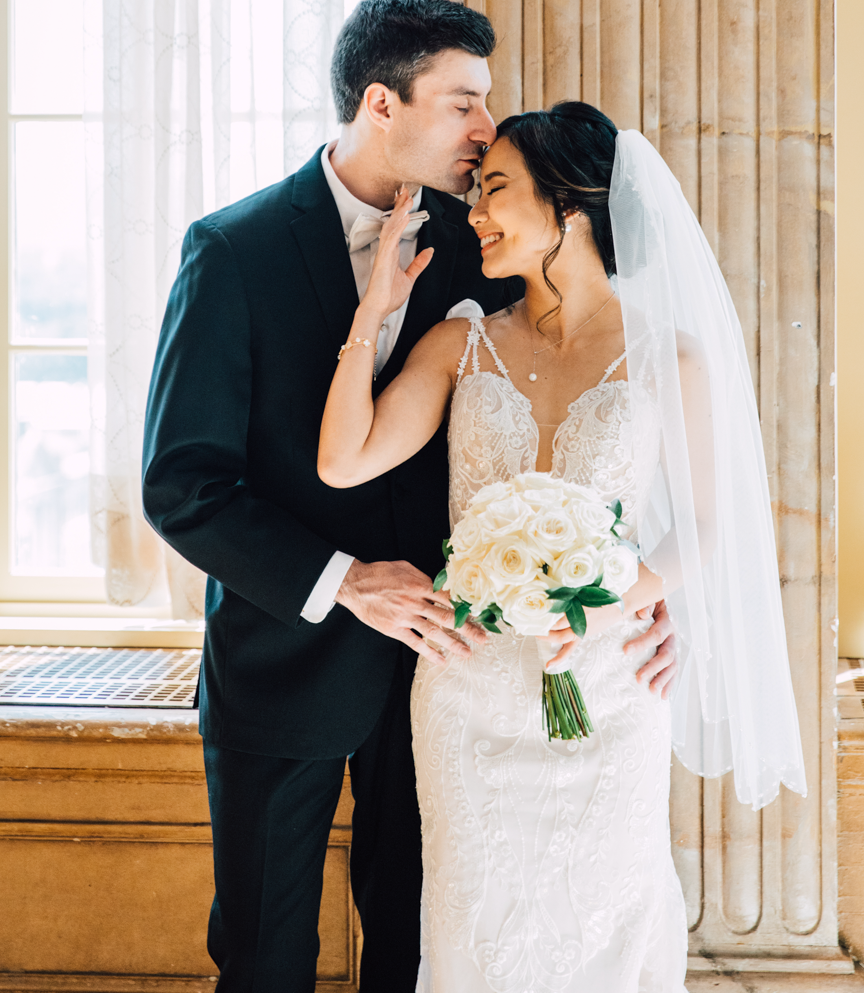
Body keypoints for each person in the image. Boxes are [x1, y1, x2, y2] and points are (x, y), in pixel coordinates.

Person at [142, 0, 677, 993]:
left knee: (420, 952)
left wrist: (632, 596)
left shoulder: (490, 247)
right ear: (382, 102)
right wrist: (345, 581)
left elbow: (576, 439)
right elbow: (182, 484)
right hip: (283, 666)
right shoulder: (233, 250)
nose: (485, 129)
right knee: (263, 960)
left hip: (457, 678)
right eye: (465, 101)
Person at [318, 101, 806, 993]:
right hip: (467, 687)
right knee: (474, 920)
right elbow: (344, 460)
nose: (474, 214)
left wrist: (612, 592)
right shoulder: (463, 339)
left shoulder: (672, 358)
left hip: (609, 684)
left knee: (606, 913)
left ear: (569, 207)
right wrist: (374, 312)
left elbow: (711, 526)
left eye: (494, 190)